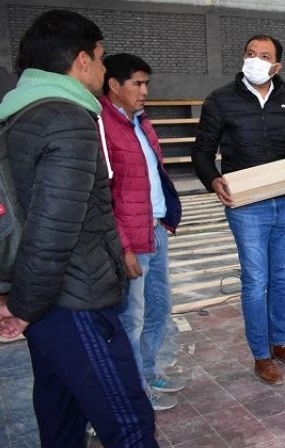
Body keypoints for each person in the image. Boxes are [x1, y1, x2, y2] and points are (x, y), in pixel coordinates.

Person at [0, 10, 158, 448]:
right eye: (100, 59)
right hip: (73, 299)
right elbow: (52, 230)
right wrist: (23, 304)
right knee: (129, 422)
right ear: (82, 60)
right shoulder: (68, 119)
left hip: (39, 300)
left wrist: (10, 294)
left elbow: (14, 218)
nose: (102, 69)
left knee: (60, 412)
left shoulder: (12, 115)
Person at [191, 34, 285, 385]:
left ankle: (279, 343)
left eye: (263, 56)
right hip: (246, 207)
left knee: (281, 279)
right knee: (255, 281)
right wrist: (213, 180)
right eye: (250, 54)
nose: (255, 60)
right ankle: (261, 356)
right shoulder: (220, 100)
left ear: (277, 66)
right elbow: (201, 152)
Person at [100, 53, 184, 411]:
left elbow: (154, 177)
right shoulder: (102, 125)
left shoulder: (141, 121)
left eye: (146, 83)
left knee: (159, 309)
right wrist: (123, 247)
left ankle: (147, 373)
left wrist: (165, 218)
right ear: (114, 85)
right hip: (131, 240)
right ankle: (134, 392)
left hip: (155, 231)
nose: (144, 90)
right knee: (130, 320)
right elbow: (102, 196)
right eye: (137, 83)